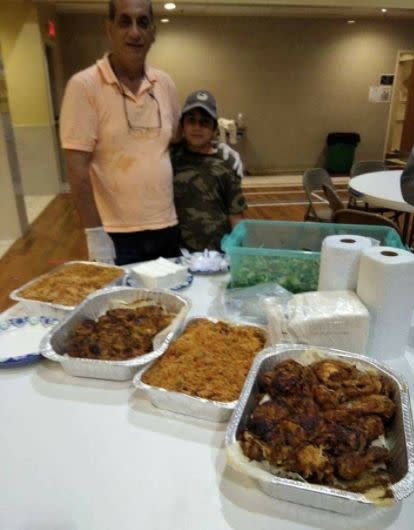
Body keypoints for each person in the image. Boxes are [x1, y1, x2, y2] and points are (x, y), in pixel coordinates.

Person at [60, 0, 241, 266]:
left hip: (168, 229)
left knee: (170, 304)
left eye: (143, 22)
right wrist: (94, 233)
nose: (135, 32)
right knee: (122, 307)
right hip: (115, 234)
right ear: (109, 29)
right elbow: (77, 169)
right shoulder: (84, 86)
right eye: (125, 21)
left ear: (153, 32)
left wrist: (218, 150)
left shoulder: (164, 83)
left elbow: (176, 138)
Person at [171, 90, 247, 252]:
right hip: (177, 252)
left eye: (204, 122)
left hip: (217, 253)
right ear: (182, 125)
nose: (197, 128)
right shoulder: (171, 157)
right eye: (191, 120)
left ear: (214, 129)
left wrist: (239, 252)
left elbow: (236, 216)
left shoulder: (226, 163)